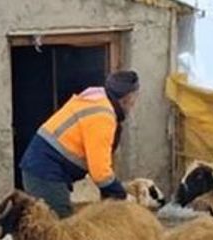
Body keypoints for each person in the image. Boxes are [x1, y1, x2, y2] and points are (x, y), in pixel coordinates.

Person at [18, 70, 140, 218]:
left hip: (41, 167)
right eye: (134, 98)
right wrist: (123, 197)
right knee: (62, 226)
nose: (134, 104)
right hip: (45, 172)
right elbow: (100, 174)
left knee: (58, 222)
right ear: (126, 98)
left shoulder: (96, 99)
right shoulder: (102, 117)